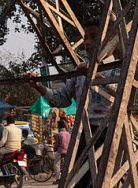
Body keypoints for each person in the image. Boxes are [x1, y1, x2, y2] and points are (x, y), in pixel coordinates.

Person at [23, 17, 122, 187]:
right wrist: (39, 87)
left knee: (105, 180)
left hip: (109, 131)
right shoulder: (80, 70)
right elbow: (61, 99)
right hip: (83, 132)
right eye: (86, 38)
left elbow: (124, 95)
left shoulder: (119, 68)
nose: (88, 43)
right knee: (78, 181)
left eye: (93, 37)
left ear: (111, 42)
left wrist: (96, 76)